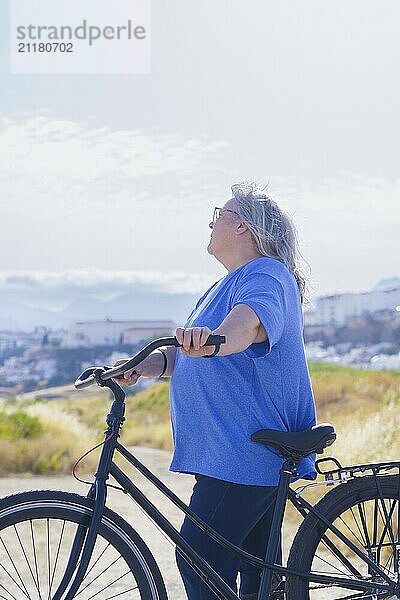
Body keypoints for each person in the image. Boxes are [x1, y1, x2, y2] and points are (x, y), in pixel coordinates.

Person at [115, 182, 316, 599]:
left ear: (242, 225)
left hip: (243, 452)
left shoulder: (266, 275)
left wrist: (217, 338)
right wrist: (143, 365)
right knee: (260, 580)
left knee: (198, 556)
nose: (211, 222)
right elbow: (190, 355)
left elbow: (245, 327)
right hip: (229, 452)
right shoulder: (224, 285)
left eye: (219, 214)